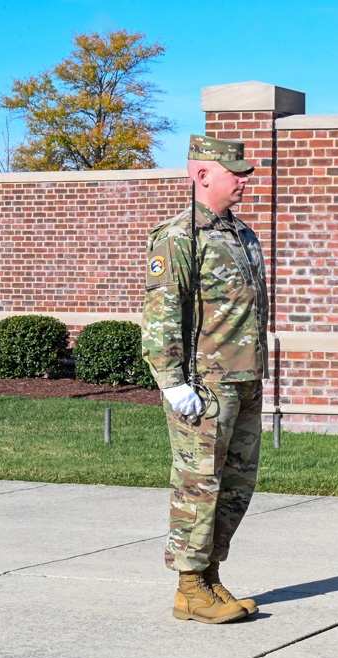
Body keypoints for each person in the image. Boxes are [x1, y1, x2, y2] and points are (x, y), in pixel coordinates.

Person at [142, 134, 269, 624]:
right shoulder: (177, 238)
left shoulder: (242, 235)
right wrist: (173, 383)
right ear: (202, 175)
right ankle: (189, 587)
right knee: (198, 485)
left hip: (245, 380)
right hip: (205, 388)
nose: (242, 180)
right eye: (234, 172)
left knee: (237, 485)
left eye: (243, 172)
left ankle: (211, 576)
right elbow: (161, 315)